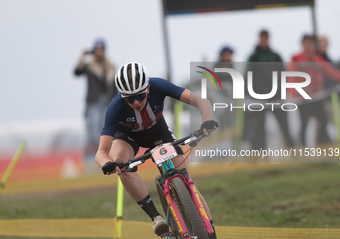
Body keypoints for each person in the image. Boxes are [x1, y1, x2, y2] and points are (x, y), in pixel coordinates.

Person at [95, 62, 218, 238]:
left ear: (148, 88)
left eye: (140, 95)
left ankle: (211, 233)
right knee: (120, 160)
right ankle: (156, 217)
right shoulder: (115, 107)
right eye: (130, 98)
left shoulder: (159, 85)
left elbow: (201, 100)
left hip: (158, 132)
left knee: (188, 183)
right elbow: (100, 152)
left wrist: (207, 120)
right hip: (129, 137)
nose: (136, 102)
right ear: (122, 96)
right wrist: (107, 163)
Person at [244, 30, 294, 150]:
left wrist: (283, 92)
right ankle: (262, 156)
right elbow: (247, 76)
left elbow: (283, 75)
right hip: (259, 98)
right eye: (262, 38)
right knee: (260, 129)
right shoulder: (253, 57)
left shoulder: (276, 56)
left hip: (276, 97)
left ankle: (294, 152)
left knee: (285, 127)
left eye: (266, 38)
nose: (264, 40)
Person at [288, 34, 340, 146]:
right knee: (304, 125)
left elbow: (331, 71)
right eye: (306, 43)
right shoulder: (296, 59)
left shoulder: (317, 59)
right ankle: (303, 149)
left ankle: (322, 145)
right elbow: (291, 78)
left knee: (323, 121)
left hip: (317, 98)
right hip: (303, 99)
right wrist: (294, 95)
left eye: (311, 43)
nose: (309, 45)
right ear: (302, 44)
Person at [74, 39, 117, 160]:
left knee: (106, 130)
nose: (99, 52)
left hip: (107, 102)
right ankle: (91, 159)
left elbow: (114, 85)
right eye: (97, 50)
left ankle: (106, 157)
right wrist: (82, 57)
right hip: (94, 102)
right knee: (93, 132)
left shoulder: (111, 66)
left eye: (101, 50)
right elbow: (77, 72)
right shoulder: (89, 66)